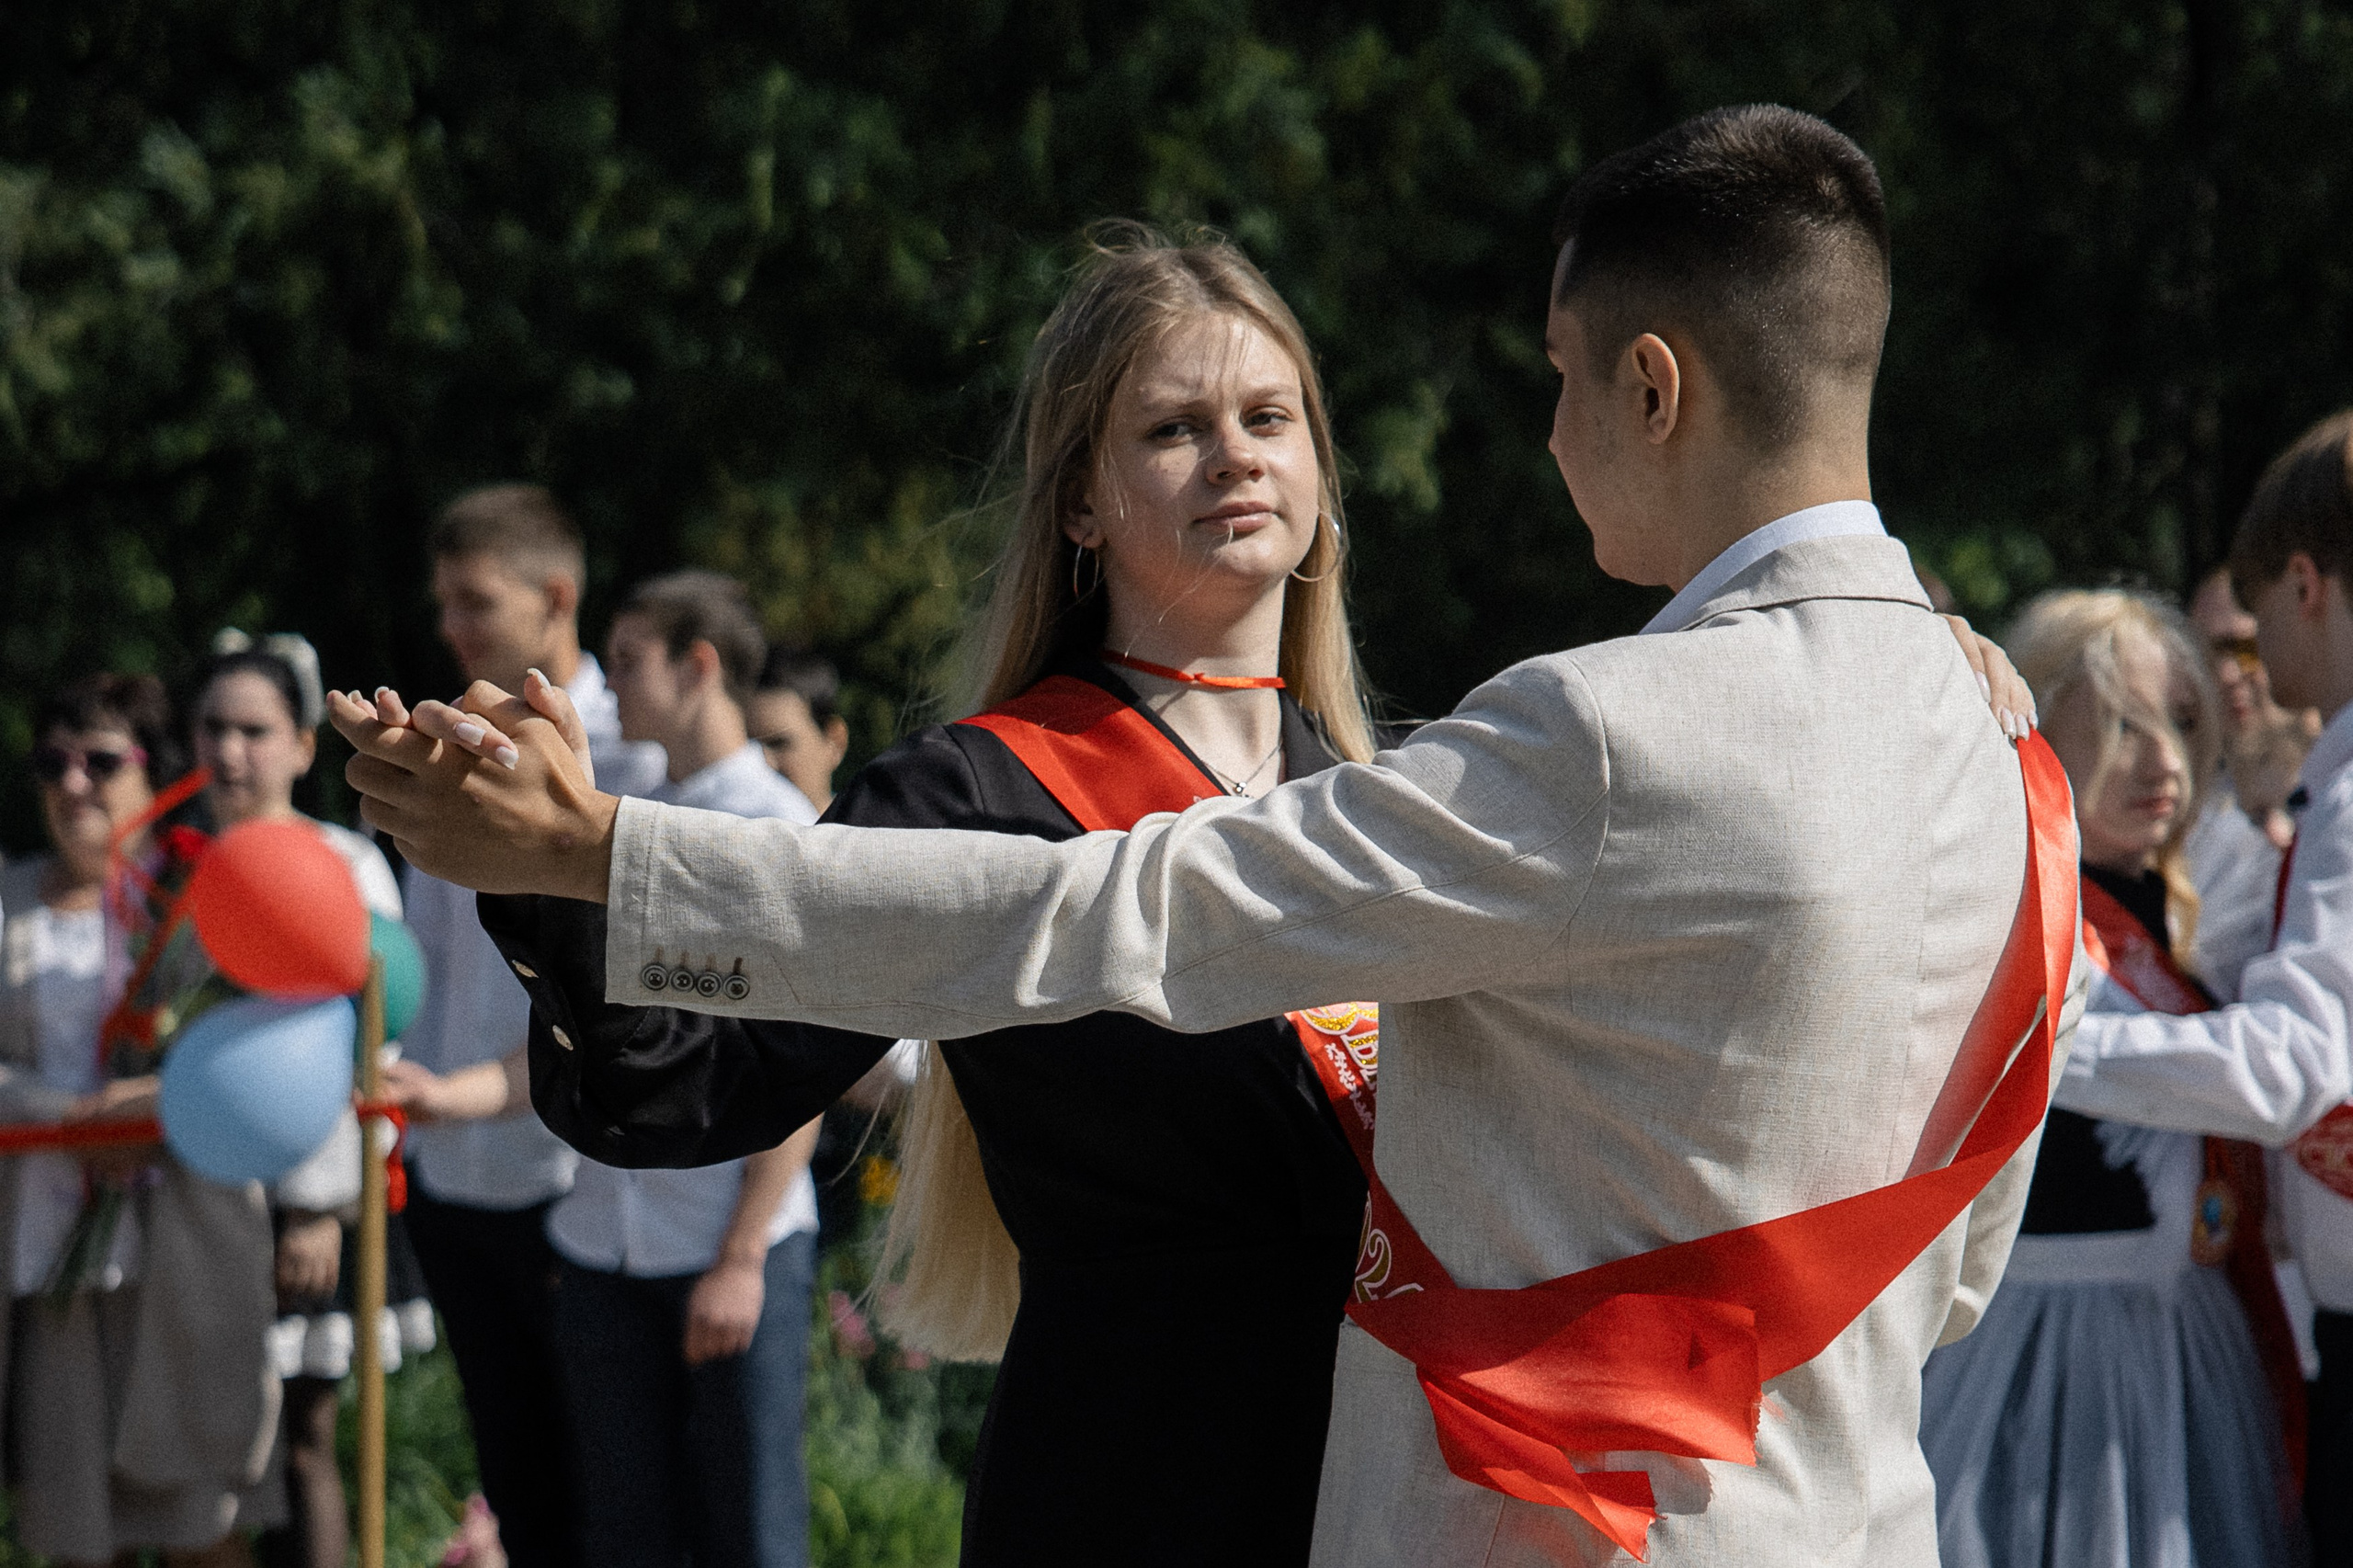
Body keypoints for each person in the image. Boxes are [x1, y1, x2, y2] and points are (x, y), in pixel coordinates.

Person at [335, 108, 2064, 1568]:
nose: (1235, 459)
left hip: (1449, 1495)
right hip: (1146, 1487)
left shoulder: (1440, 773)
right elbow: (672, 1082)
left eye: (1270, 417)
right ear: (1081, 497)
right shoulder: (981, 788)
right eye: (1173, 427)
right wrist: (573, 878)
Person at [1917, 589, 2305, 1568]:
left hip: (2186, 1338)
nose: (2164, 760)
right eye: (2125, 725)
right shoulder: (2010, 905)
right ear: (2043, 722)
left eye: (2182, 722)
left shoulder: (2202, 912)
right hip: (2048, 1352)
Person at [389, 483, 665, 1568]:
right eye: (444, 603)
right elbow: (424, 967)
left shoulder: (631, 756)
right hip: (452, 1176)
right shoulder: (447, 750)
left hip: (571, 1182)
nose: (451, 626)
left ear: (556, 595)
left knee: (610, 1497)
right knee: (518, 1485)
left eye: (476, 600)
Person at [540, 570, 827, 1568]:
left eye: (626, 660)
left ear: (697, 666)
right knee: (628, 1539)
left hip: (724, 1245)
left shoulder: (779, 827)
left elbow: (800, 1062)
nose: (608, 683)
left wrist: (742, 1256)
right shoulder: (629, 816)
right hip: (605, 1244)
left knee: (751, 1536)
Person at [0, 675, 278, 1568]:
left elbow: (258, 1048)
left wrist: (154, 1108)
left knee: (203, 1523)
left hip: (186, 1245)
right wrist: (75, 1120)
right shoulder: (9, 899)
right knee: (82, 1526)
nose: (72, 782)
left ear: (154, 772)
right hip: (50, 1255)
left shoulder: (203, 893)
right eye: (53, 762)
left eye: (99, 760)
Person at [188, 631, 431, 1568]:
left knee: (301, 1443)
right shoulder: (176, 865)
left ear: (300, 745)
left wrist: (321, 1201)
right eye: (213, 728)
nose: (229, 751)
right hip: (195, 1202)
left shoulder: (344, 865)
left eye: (254, 730)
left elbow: (369, 1045)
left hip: (307, 1202)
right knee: (207, 1458)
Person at [2183, 566, 2316, 994]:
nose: (2226, 673)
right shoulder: (2175, 821)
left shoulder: (2338, 793)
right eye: (2206, 655)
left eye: (2244, 648)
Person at [748, 648, 850, 813]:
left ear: (835, 742)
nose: (761, 763)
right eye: (747, 746)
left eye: (778, 744)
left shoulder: (880, 828)